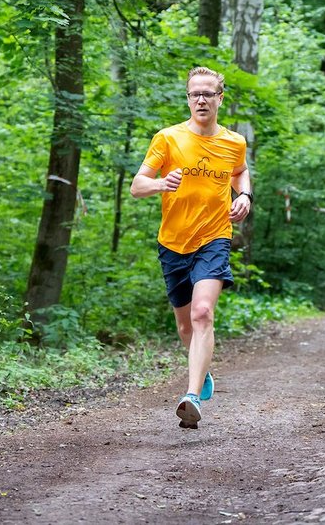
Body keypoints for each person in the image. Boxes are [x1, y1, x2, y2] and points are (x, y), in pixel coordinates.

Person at [130, 66, 252, 429]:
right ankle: (203, 371)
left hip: (214, 237)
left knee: (202, 313)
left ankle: (192, 396)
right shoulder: (167, 138)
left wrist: (244, 194)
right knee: (185, 326)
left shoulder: (234, 142)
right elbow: (137, 186)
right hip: (173, 242)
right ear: (187, 99)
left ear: (219, 98)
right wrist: (159, 184)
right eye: (194, 94)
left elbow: (240, 170)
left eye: (207, 94)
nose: (201, 99)